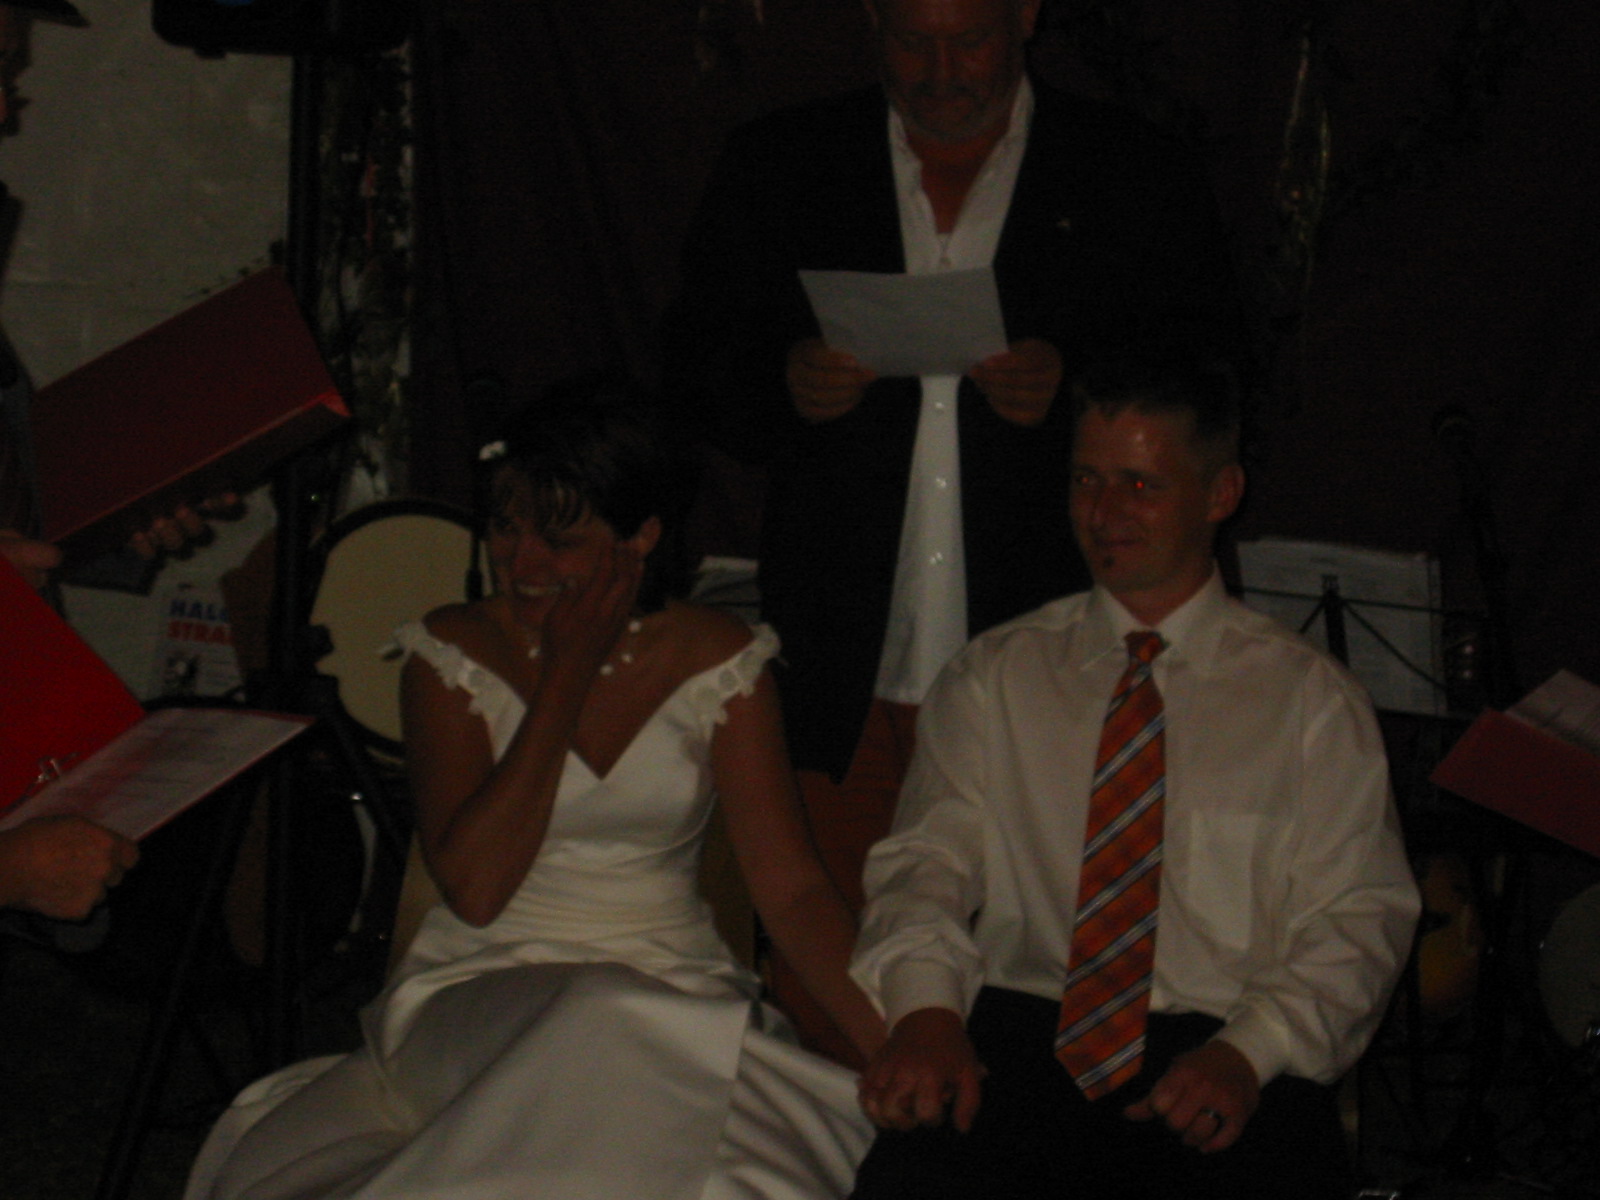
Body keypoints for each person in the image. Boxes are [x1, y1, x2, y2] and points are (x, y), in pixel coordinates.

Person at [663, 0, 1241, 1059]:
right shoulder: (786, 161)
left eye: (967, 38)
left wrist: (1075, 386)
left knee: (1034, 975)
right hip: (846, 664)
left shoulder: (1129, 171)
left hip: (1054, 661)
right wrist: (784, 383)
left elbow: (1211, 379)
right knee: (834, 990)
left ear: (1026, 14)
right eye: (910, 40)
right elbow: (693, 368)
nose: (939, 70)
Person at [183, 385, 888, 1200]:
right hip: (478, 984)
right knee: (599, 1013)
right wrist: (565, 675)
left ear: (640, 538)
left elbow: (793, 890)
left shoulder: (717, 656)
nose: (520, 565)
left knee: (728, 1156)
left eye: (558, 541)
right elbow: (476, 890)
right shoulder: (451, 651)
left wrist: (899, 1039)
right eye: (505, 529)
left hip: (678, 986)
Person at [846, 345, 1421, 1198]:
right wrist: (926, 1011)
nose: (1104, 511)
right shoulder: (996, 674)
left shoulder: (1309, 700)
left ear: (1221, 494)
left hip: (1227, 1041)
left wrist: (1249, 1052)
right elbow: (925, 864)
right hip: (1026, 1031)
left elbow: (1358, 918)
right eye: (1086, 479)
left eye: (1140, 484)